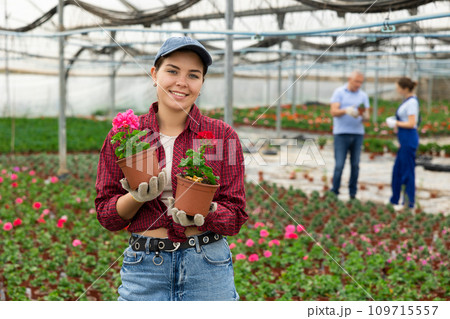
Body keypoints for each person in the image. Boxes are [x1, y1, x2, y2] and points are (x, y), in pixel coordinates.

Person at [95, 36, 248, 301]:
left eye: (193, 75)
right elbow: (107, 215)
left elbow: (235, 216)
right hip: (144, 268)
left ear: (201, 83)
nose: (181, 82)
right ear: (154, 74)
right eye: (172, 71)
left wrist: (207, 210)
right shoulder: (126, 133)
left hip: (207, 266)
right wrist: (136, 197)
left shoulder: (222, 135)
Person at [329, 70, 370, 200]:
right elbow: (334, 111)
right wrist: (346, 111)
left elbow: (367, 116)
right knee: (339, 164)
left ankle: (353, 194)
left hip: (357, 134)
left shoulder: (363, 96)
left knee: (355, 164)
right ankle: (334, 191)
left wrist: (363, 115)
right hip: (341, 133)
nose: (358, 84)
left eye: (360, 82)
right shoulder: (339, 92)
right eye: (356, 81)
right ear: (349, 79)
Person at [386, 77, 420, 211]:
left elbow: (412, 123)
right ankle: (395, 199)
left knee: (407, 171)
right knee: (398, 171)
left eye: (398, 87)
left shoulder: (412, 102)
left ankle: (408, 203)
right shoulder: (407, 101)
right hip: (404, 138)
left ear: (405, 88)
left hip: (409, 139)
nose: (396, 89)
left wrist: (395, 123)